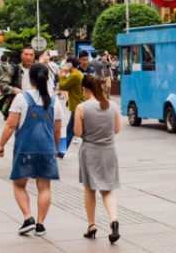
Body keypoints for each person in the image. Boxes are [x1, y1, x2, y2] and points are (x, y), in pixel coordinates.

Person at [0, 62, 62, 236]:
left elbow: (10, 125)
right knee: (44, 187)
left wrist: (1, 145)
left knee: (19, 184)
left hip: (25, 148)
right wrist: (54, 149)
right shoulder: (55, 101)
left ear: (30, 78)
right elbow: (57, 131)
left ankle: (28, 218)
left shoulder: (21, 98)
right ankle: (40, 224)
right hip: (47, 149)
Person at [75, 74, 121, 243]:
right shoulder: (112, 106)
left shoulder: (82, 108)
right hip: (109, 151)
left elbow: (78, 133)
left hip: (90, 152)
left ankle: (92, 225)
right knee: (107, 190)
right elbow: (116, 130)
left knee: (89, 189)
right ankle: (113, 220)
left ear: (84, 89)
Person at [59, 57, 85, 158]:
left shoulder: (75, 75)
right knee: (75, 130)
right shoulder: (76, 74)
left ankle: (61, 151)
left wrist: (63, 74)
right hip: (79, 105)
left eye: (66, 64)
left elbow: (62, 86)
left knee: (70, 130)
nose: (64, 66)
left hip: (78, 106)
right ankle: (61, 151)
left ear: (70, 65)